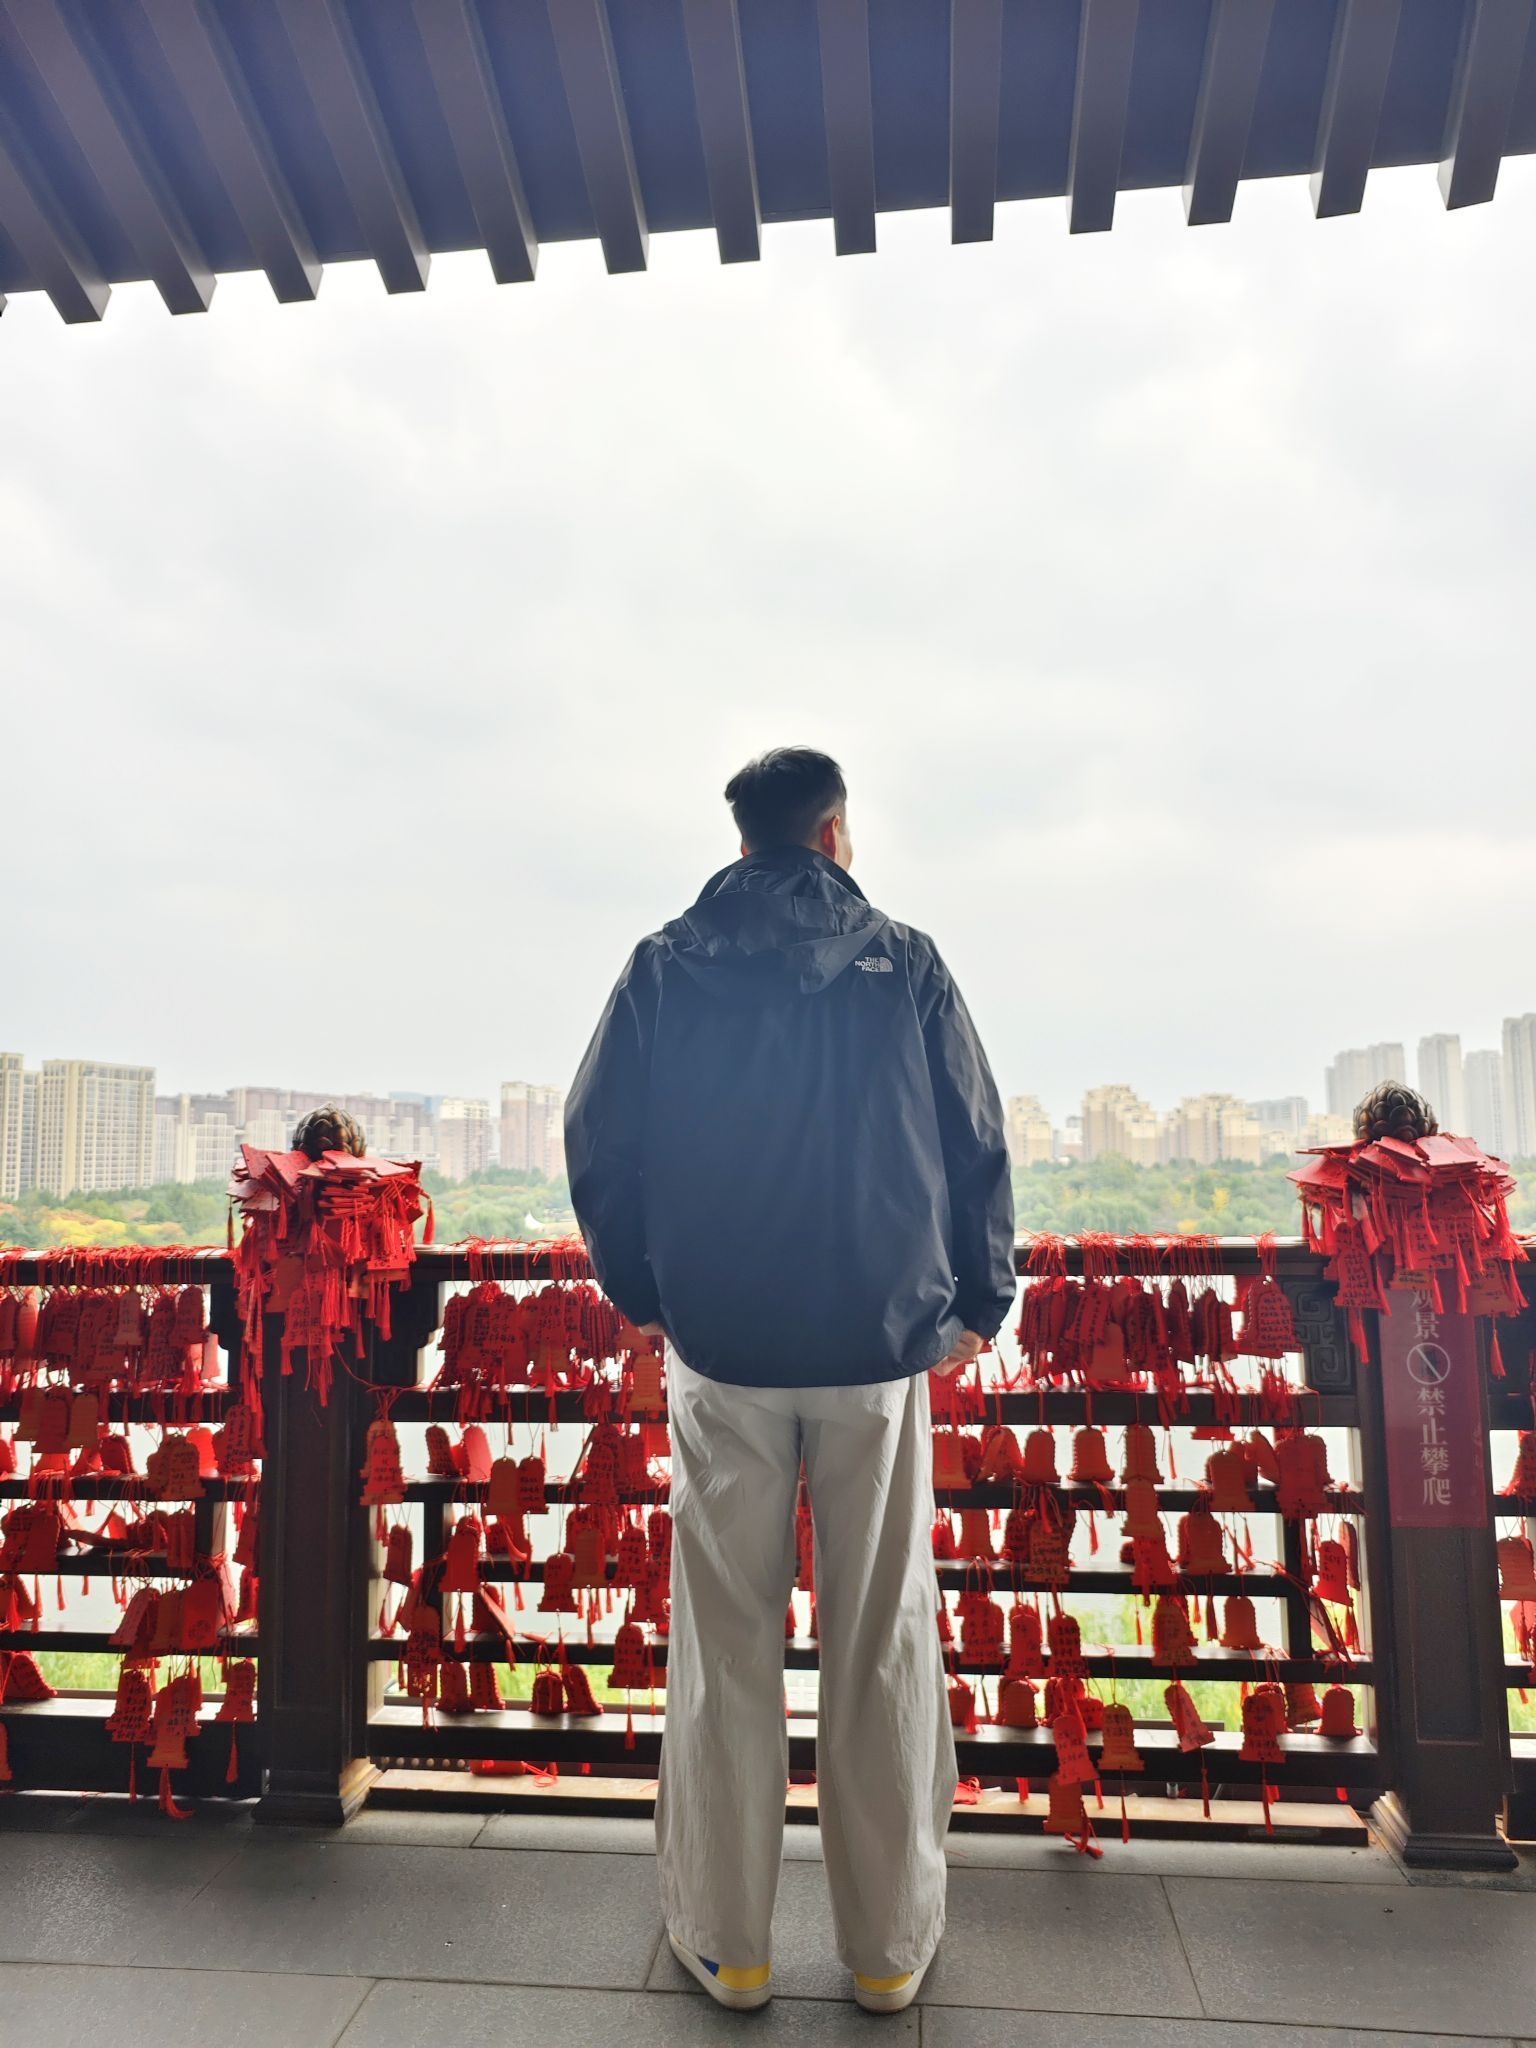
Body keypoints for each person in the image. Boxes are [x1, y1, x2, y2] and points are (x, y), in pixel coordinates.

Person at [565, 747, 1015, 2014]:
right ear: (831, 834)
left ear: (745, 839)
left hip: (721, 1347)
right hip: (879, 1344)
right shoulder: (905, 961)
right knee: (882, 1635)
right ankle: (888, 1951)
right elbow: (974, 1135)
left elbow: (599, 1140)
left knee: (726, 1638)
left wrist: (646, 1294)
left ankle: (732, 1945)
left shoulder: (665, 964)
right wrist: (978, 1302)